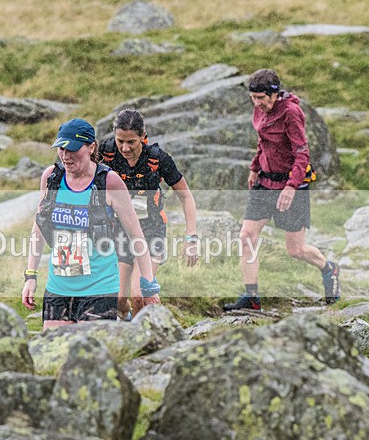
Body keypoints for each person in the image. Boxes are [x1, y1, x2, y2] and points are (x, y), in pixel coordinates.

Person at [21, 118, 161, 329]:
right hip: (58, 288)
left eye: (73, 150)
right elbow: (38, 229)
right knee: (55, 357)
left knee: (91, 357)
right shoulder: (51, 177)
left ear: (91, 147)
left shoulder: (109, 182)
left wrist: (149, 286)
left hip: (99, 289)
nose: (66, 156)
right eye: (61, 149)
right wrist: (30, 276)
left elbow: (136, 236)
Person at [223, 69, 340, 311]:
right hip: (264, 182)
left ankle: (329, 269)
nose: (256, 103)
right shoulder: (261, 109)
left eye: (261, 98)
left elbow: (302, 153)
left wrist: (291, 187)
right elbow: (263, 140)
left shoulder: (291, 113)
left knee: (295, 250)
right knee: (246, 237)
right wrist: (255, 167)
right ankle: (252, 298)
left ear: (275, 94)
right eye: (253, 98)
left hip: (291, 185)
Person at [99, 109, 199, 318]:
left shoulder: (157, 158)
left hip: (152, 229)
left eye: (132, 142)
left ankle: (146, 340)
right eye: (120, 141)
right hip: (120, 229)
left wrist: (191, 238)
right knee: (117, 299)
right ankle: (129, 323)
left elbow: (186, 197)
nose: (125, 148)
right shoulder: (106, 152)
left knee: (139, 295)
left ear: (143, 137)